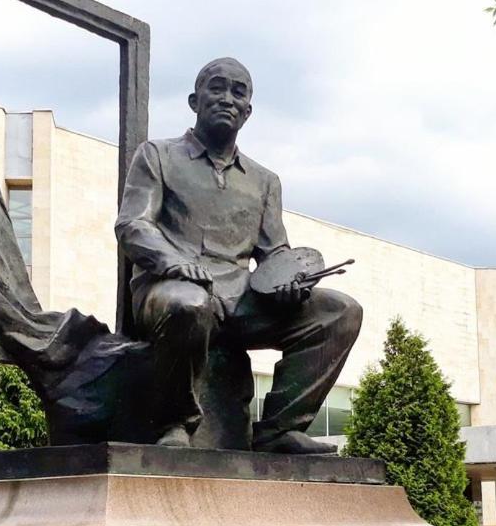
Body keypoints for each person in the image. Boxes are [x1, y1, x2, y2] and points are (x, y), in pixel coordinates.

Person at [115, 57, 362, 453]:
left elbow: (274, 252)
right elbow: (133, 225)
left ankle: (279, 429)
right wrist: (171, 262)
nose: (227, 99)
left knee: (340, 311)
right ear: (195, 101)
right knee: (188, 304)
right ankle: (176, 424)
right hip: (172, 291)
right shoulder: (157, 156)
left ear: (248, 112)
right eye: (217, 88)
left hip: (241, 298)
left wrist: (290, 281)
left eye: (238, 92)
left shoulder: (265, 181)